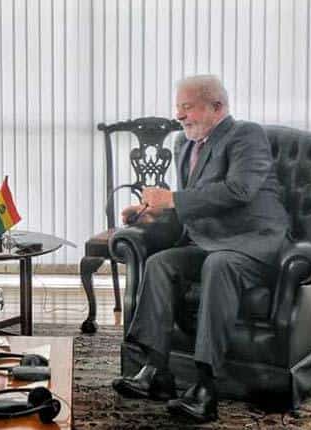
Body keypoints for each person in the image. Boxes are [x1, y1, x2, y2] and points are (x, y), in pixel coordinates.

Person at [112, 75, 289, 422]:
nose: (179, 115)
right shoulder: (187, 145)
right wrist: (150, 214)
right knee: (161, 263)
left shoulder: (246, 135)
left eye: (187, 107)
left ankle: (207, 387)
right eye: (178, 107)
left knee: (219, 265)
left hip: (254, 244)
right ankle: (156, 372)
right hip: (211, 244)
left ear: (217, 107)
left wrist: (172, 199)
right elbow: (190, 208)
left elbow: (239, 190)